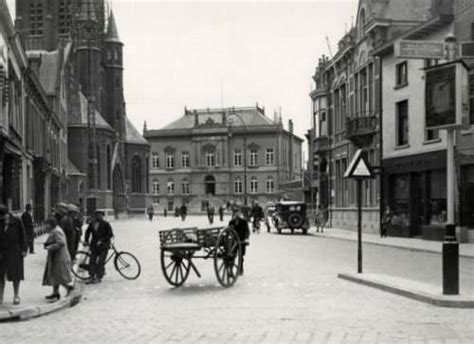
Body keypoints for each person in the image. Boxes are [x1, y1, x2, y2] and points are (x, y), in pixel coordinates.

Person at [0, 205, 28, 305]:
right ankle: (0, 297)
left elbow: (23, 235)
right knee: (0, 275)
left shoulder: (17, 221)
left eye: (3, 217)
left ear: (7, 214)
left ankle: (16, 295)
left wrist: (24, 250)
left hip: (15, 252)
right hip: (2, 253)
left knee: (16, 275)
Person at [42, 217, 73, 302]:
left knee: (60, 276)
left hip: (60, 258)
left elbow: (61, 243)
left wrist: (50, 247)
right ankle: (55, 293)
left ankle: (69, 288)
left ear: (51, 224)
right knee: (55, 275)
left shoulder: (57, 231)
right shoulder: (55, 230)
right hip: (56, 257)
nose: (45, 227)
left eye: (46, 225)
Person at [85, 210, 114, 283]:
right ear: (95, 216)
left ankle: (99, 277)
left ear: (102, 216)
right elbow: (87, 232)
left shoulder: (106, 224)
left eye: (100, 215)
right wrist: (86, 240)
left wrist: (102, 240)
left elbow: (110, 234)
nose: (99, 216)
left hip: (104, 246)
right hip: (94, 245)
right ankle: (91, 276)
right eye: (97, 215)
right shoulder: (92, 223)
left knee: (101, 261)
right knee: (92, 261)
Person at [228, 206, 250, 276]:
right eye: (235, 213)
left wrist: (246, 237)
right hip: (233, 241)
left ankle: (240, 269)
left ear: (240, 213)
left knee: (241, 256)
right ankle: (231, 270)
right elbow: (229, 231)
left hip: (241, 240)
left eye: (237, 213)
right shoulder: (231, 222)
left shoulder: (243, 221)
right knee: (232, 256)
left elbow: (247, 231)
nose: (236, 214)